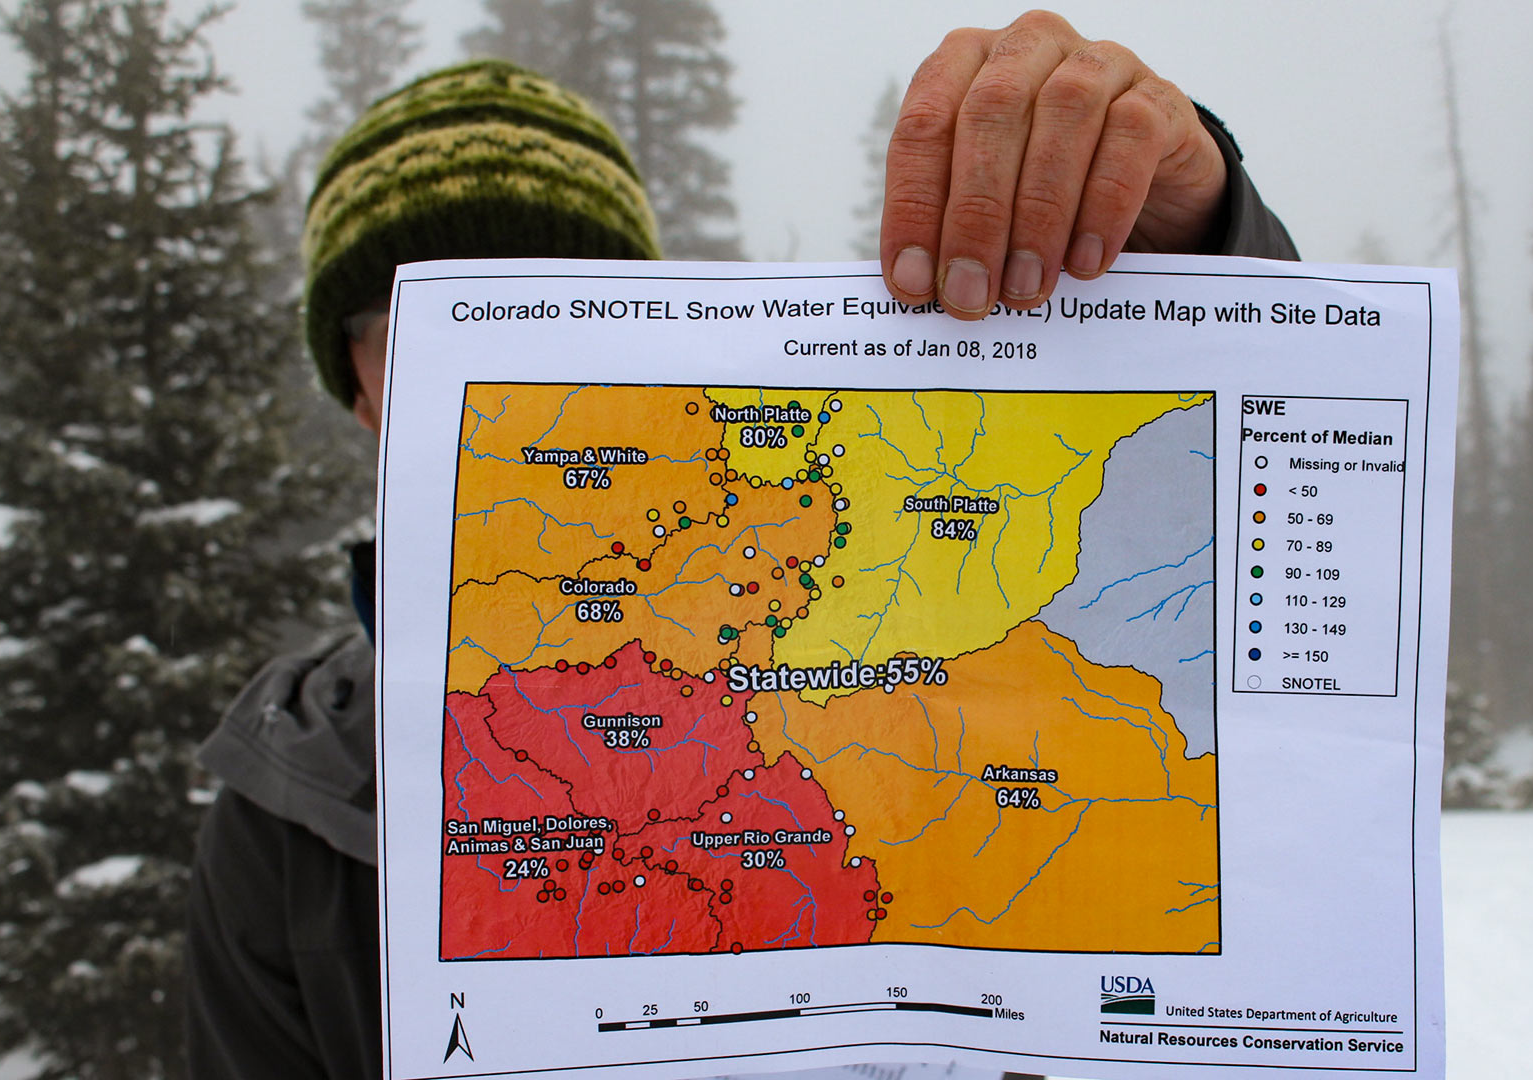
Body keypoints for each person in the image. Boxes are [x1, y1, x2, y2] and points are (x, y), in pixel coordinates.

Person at [185, 12, 1297, 1078]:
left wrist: (1193, 258)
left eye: (549, 308)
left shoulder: (879, 663)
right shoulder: (293, 799)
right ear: (360, 390)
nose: (503, 381)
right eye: (429, 319)